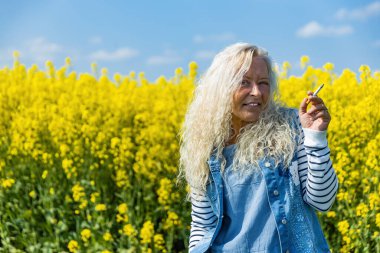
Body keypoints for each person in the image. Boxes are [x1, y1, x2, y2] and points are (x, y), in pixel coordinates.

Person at [179, 42, 338, 252]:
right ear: (221, 88)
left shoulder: (291, 126)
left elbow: (323, 200)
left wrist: (315, 136)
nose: (256, 92)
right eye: (244, 82)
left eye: (263, 82)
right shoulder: (205, 145)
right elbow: (203, 225)